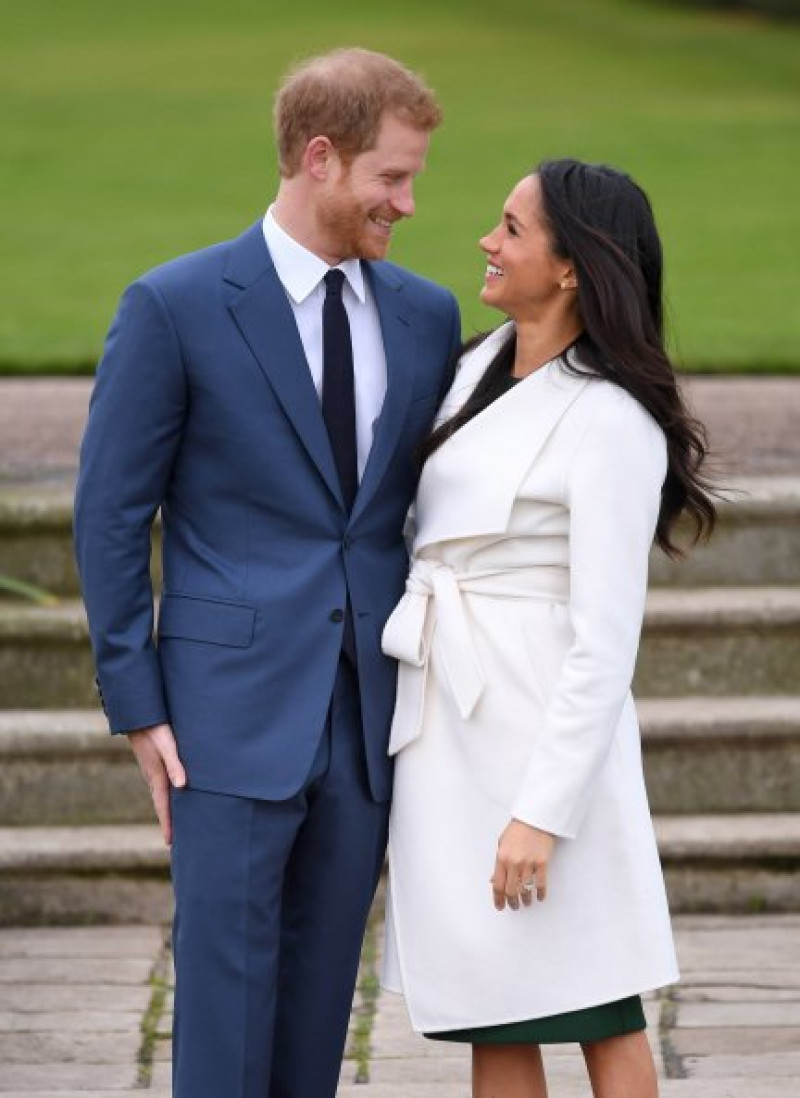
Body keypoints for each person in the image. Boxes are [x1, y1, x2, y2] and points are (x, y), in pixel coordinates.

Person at [74, 48, 460, 1098]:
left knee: (322, 1000)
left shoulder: (425, 317)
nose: (409, 202)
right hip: (222, 715)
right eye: (392, 177)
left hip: (366, 712)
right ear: (320, 158)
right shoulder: (175, 305)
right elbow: (111, 516)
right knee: (223, 1002)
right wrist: (137, 704)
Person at [381, 158, 716, 1098]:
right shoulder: (471, 367)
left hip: (540, 730)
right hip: (449, 721)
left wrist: (542, 812)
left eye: (513, 228)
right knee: (496, 1004)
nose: (488, 242)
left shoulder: (611, 419)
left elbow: (607, 638)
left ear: (572, 267)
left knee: (597, 1001)